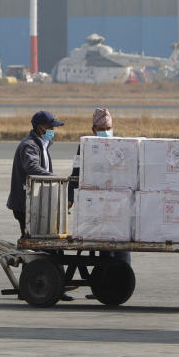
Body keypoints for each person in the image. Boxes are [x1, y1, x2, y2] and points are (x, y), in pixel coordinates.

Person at [67, 108, 130, 300]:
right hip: (95, 202)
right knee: (102, 245)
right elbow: (76, 172)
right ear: (93, 129)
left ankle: (121, 282)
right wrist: (70, 196)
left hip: (118, 202)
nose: (105, 131)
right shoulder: (85, 146)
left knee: (120, 245)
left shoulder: (120, 146)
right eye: (102, 128)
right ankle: (103, 285)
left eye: (108, 127)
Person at [7, 110, 64, 237]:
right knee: (31, 238)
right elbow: (32, 168)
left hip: (36, 202)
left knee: (36, 237)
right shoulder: (30, 145)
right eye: (51, 127)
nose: (53, 130)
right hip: (25, 203)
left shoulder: (42, 144)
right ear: (40, 128)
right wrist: (57, 178)